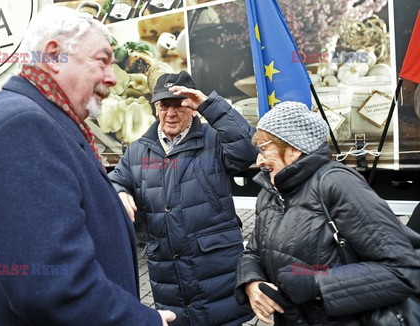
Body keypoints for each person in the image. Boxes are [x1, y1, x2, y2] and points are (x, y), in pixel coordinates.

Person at [0, 6, 175, 325]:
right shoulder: (23, 126)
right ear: (54, 54)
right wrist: (142, 321)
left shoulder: (37, 118)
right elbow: (50, 285)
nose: (112, 77)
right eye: (102, 60)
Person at [235, 101, 420, 325]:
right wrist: (251, 282)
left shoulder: (336, 183)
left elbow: (403, 271)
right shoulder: (270, 191)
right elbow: (254, 251)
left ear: (294, 149)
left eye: (264, 148)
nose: (258, 160)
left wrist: (316, 285)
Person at [109, 70, 257, 325]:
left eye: (179, 104)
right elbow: (114, 181)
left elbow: (247, 149)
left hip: (216, 274)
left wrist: (211, 106)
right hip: (170, 278)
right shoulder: (138, 151)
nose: (171, 113)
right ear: (156, 107)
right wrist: (119, 192)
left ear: (192, 107)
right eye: (164, 105)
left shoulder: (214, 140)